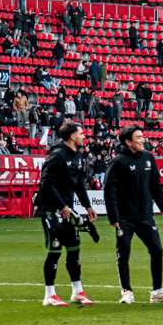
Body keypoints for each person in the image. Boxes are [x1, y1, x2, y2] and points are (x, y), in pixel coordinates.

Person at [103, 124, 163, 304]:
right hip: (125, 218)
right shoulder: (118, 162)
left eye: (143, 136)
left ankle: (157, 291)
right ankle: (127, 291)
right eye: (139, 137)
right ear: (128, 141)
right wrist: (114, 217)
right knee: (124, 254)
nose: (143, 140)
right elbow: (110, 191)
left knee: (157, 250)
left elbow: (155, 183)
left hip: (146, 216)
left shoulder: (149, 157)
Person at [35, 122, 96, 306]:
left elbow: (78, 184)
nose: (84, 136)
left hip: (67, 209)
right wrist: (62, 205)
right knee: (54, 251)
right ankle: (49, 295)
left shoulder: (78, 156)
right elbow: (46, 183)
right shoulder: (57, 155)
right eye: (81, 133)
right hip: (51, 209)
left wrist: (88, 206)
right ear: (72, 136)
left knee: (74, 249)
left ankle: (77, 292)